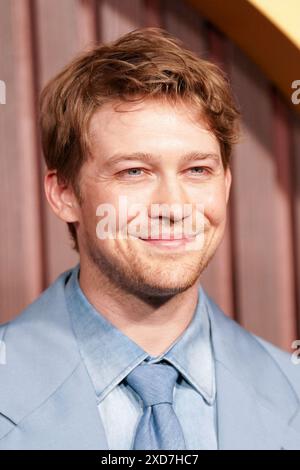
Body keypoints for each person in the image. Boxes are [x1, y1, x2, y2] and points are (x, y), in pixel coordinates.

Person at [0, 27, 299, 450]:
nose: (174, 206)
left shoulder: (293, 392)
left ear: (226, 185)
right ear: (64, 194)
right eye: (134, 171)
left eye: (197, 170)